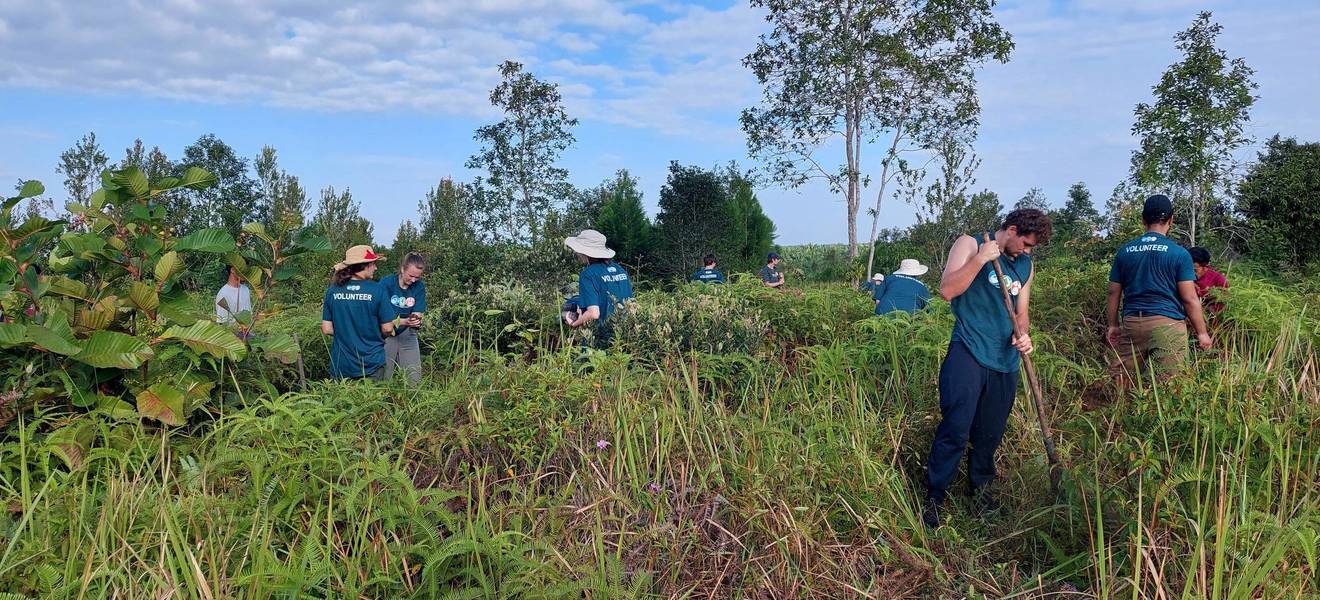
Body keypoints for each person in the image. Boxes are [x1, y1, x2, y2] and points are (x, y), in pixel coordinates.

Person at [923, 208, 1052, 528]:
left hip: (1005, 362)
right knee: (956, 426)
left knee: (990, 434)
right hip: (968, 350)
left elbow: (1022, 312)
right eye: (1024, 242)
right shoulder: (968, 244)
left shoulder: (1025, 265)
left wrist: (1023, 336)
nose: (1026, 250)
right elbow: (947, 290)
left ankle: (980, 492)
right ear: (1010, 230)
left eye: (1031, 247)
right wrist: (980, 259)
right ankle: (935, 496)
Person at [1105, 195, 1211, 387]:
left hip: (1132, 323)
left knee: (1122, 383)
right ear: (1171, 220)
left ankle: (1120, 415)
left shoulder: (1125, 251)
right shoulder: (1179, 254)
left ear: (1143, 220)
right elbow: (1189, 298)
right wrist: (1202, 333)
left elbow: (1113, 292)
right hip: (1168, 326)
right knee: (1170, 386)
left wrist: (1113, 325)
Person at [321, 245, 395, 380]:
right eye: (373, 264)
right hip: (371, 364)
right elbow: (388, 328)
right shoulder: (378, 290)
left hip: (341, 365)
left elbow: (326, 329)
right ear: (365, 266)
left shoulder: (332, 291)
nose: (376, 268)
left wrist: (347, 334)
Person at [563, 230, 634, 348]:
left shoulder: (588, 274)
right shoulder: (620, 269)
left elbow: (594, 313)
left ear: (585, 252)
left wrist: (575, 323)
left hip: (601, 337)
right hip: (624, 336)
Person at [379, 253, 427, 383]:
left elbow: (418, 311)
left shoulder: (419, 287)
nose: (413, 280)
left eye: (417, 277)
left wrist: (415, 319)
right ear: (402, 269)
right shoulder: (386, 283)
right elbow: (379, 314)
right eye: (411, 276)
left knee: (414, 376)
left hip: (407, 333)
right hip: (386, 333)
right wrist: (402, 321)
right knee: (384, 374)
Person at [1189, 246, 1228, 312]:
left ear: (1204, 266)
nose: (1191, 273)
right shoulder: (1184, 276)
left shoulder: (1218, 279)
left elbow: (1225, 301)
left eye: (1195, 270)